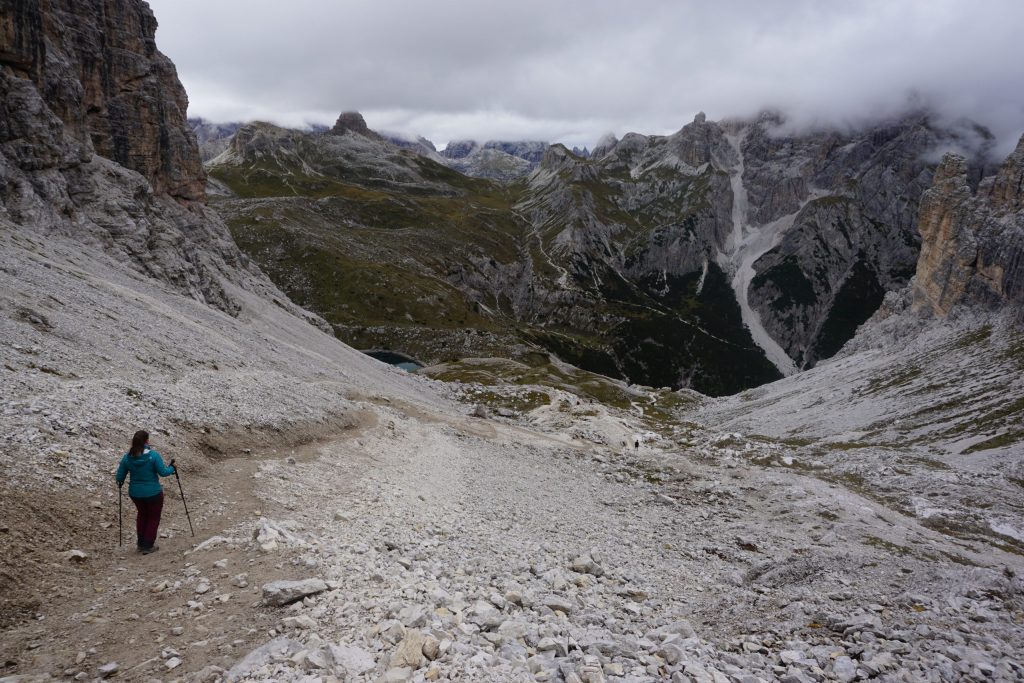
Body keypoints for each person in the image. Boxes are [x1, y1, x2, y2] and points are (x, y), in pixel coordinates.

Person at [116, 430, 176, 554]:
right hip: (153, 492)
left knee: (142, 515)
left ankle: (140, 543)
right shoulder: (153, 456)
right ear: (146, 441)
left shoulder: (127, 457)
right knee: (153, 518)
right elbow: (163, 472)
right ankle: (148, 545)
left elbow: (119, 477)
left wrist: (120, 482)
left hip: (135, 493)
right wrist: (172, 468)